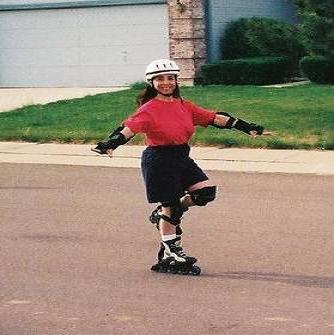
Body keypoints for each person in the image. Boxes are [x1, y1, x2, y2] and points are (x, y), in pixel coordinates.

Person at [92, 59, 268, 275]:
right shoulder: (149, 109)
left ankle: (162, 216)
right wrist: (110, 144)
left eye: (170, 78)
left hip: (181, 158)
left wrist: (246, 127)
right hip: (159, 161)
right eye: (160, 79)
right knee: (171, 207)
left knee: (205, 193)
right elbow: (128, 129)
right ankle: (172, 250)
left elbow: (214, 118)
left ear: (176, 80)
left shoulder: (185, 106)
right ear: (151, 83)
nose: (166, 83)